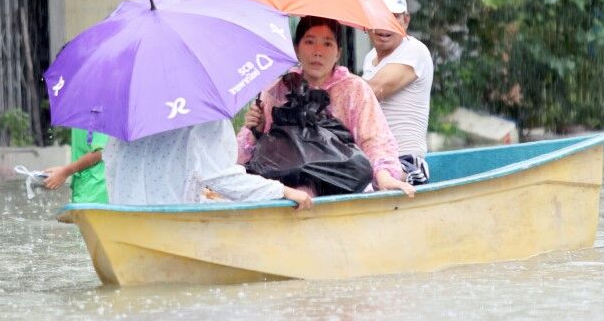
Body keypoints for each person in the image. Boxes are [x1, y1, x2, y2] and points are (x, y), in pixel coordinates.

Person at [238, 16, 415, 197]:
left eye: (327, 44)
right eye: (309, 42)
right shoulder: (277, 90)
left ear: (338, 53)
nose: (318, 52)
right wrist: (254, 132)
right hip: (285, 190)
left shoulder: (354, 89)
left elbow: (375, 140)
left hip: (343, 188)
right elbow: (244, 159)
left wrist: (384, 176)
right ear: (296, 49)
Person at [103, 120, 313, 209]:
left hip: (124, 214)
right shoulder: (205, 111)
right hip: (173, 223)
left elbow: (110, 165)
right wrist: (283, 191)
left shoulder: (126, 114)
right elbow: (224, 179)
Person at [362, 0, 434, 185]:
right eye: (379, 17)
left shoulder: (414, 50)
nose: (386, 26)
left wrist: (327, 81)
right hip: (373, 160)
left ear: (406, 20)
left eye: (394, 17)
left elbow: (371, 91)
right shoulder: (370, 58)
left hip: (406, 163)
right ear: (367, 22)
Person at [43, 128, 110, 204]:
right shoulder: (78, 119)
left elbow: (100, 153)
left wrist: (65, 172)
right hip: (85, 188)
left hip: (96, 191)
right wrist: (62, 171)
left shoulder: (100, 116)